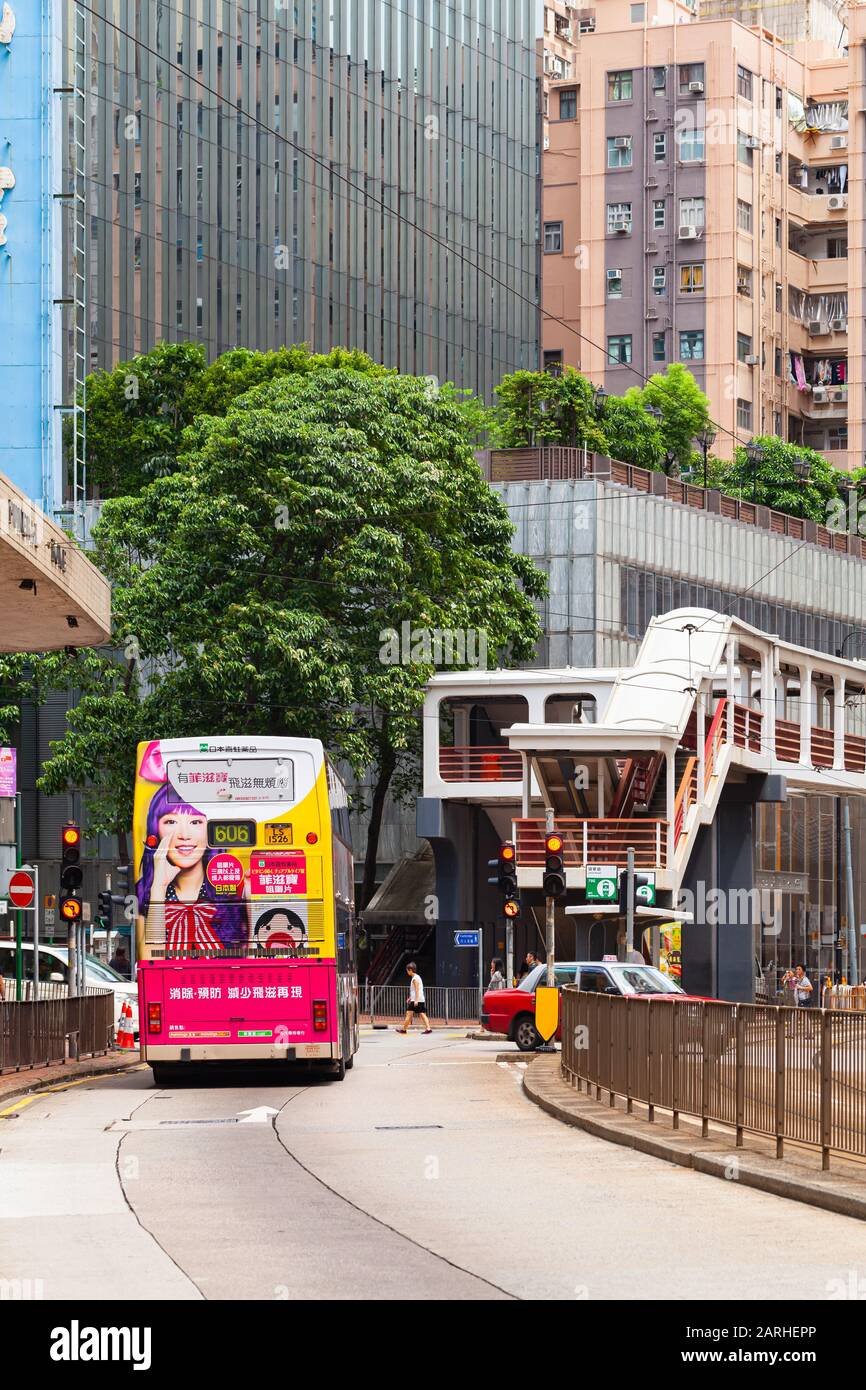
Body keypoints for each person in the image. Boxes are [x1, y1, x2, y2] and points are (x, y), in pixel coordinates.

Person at [136, 783, 250, 952]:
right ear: (156, 828)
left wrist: (254, 907)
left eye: (196, 821)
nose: (184, 835)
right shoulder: (145, 890)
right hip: (169, 979)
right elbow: (151, 963)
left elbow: (257, 960)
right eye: (171, 821)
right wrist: (159, 887)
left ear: (211, 829)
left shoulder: (235, 889)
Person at [396, 961, 431, 1034]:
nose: (407, 972)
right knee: (421, 1014)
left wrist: (416, 1000)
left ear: (410, 970)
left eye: (407, 970)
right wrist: (410, 997)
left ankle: (404, 1029)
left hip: (416, 1000)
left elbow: (417, 989)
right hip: (419, 999)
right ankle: (428, 1028)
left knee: (410, 1014)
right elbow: (415, 990)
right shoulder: (417, 977)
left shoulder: (415, 978)